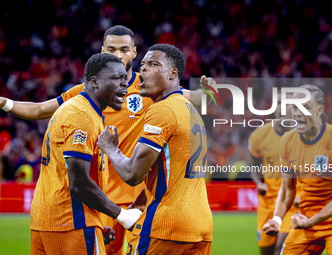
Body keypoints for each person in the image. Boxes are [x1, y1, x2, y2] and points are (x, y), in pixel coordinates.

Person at [0, 25, 216, 255]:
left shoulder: (150, 88)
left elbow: (197, 100)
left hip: (139, 198)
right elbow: (39, 110)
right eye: (112, 49)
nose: (118, 55)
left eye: (124, 49)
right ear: (103, 51)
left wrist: (211, 93)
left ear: (134, 52)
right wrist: (4, 102)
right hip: (101, 197)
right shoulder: (87, 92)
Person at [97, 44, 213, 254]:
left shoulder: (161, 109)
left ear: (172, 73)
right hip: (201, 225)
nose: (144, 69)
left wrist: (110, 148)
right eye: (143, 64)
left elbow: (133, 174)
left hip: (166, 227)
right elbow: (174, 171)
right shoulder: (190, 109)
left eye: (153, 64)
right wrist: (141, 200)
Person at [30, 53, 142, 254]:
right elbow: (78, 183)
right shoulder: (82, 116)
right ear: (95, 82)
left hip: (49, 221)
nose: (124, 84)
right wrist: (122, 216)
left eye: (125, 79)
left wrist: (96, 222)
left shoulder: (79, 110)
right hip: (71, 223)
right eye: (117, 79)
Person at [263, 85, 332, 255]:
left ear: (320, 110)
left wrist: (312, 221)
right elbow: (287, 189)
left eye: (305, 107)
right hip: (306, 220)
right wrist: (276, 219)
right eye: (294, 107)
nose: (297, 113)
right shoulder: (287, 141)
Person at [249, 92, 301, 255]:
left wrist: (302, 193)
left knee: (281, 248)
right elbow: (253, 165)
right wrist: (259, 183)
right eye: (279, 103)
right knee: (267, 251)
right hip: (267, 202)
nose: (283, 108)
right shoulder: (259, 135)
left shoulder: (304, 137)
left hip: (292, 202)